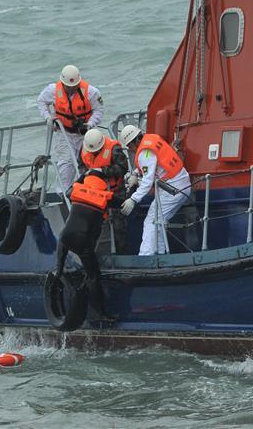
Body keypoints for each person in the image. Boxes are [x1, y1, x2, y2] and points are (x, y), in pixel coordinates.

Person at [118, 125, 192, 256]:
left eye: (129, 146)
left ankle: (146, 256)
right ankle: (160, 254)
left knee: (152, 220)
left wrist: (133, 199)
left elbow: (147, 181)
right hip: (179, 184)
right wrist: (135, 174)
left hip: (173, 189)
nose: (130, 150)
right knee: (158, 221)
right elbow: (153, 163)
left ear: (134, 142)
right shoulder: (151, 139)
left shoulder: (144, 153)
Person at [54, 169, 117, 323]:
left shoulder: (75, 190)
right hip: (82, 243)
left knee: (59, 270)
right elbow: (123, 203)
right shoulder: (106, 197)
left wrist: (83, 176)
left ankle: (57, 277)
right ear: (103, 184)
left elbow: (70, 189)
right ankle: (100, 314)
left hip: (65, 238)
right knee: (93, 276)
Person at [37, 65, 104, 194]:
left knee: (88, 164)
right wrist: (48, 118)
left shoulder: (91, 92)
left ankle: (88, 193)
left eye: (74, 86)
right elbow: (41, 101)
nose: (72, 88)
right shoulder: (52, 90)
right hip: (64, 134)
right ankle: (63, 194)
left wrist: (90, 124)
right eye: (69, 86)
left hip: (84, 135)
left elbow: (99, 110)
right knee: (66, 164)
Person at [80, 128, 129, 253]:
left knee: (119, 225)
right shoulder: (85, 149)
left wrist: (103, 171)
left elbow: (123, 168)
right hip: (95, 193)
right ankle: (97, 252)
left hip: (115, 191)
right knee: (96, 223)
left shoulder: (114, 149)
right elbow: (82, 166)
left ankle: (121, 253)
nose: (94, 152)